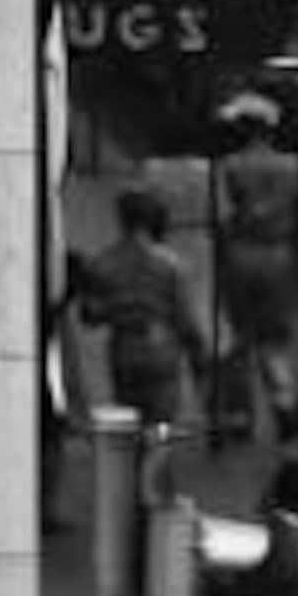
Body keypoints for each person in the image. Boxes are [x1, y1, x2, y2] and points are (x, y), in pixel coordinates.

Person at [208, 89, 298, 438]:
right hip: (278, 253)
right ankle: (284, 404)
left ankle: (240, 414)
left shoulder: (230, 166)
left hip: (241, 252)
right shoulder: (293, 167)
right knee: (275, 338)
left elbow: (222, 217)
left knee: (238, 337)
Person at [72, 184, 205, 431]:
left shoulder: (103, 263)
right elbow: (186, 321)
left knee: (132, 429)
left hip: (124, 350)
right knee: (161, 430)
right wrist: (199, 361)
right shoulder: (171, 265)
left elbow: (89, 316)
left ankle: (137, 469)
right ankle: (154, 469)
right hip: (161, 349)